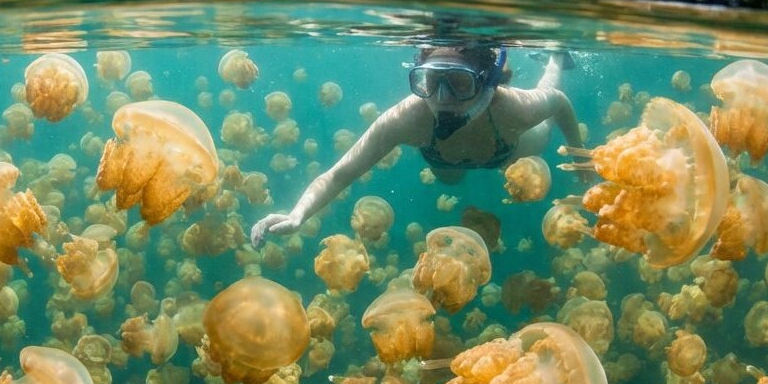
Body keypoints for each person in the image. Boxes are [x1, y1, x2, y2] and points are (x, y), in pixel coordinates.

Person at [250, 44, 585, 246]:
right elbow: (340, 174)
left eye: (457, 82)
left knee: (541, 134)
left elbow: (557, 103)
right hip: (443, 163)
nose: (441, 98)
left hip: (507, 152)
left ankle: (554, 59)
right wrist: (298, 213)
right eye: (430, 81)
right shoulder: (407, 117)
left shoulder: (512, 108)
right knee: (450, 179)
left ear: (487, 82)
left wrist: (578, 153)